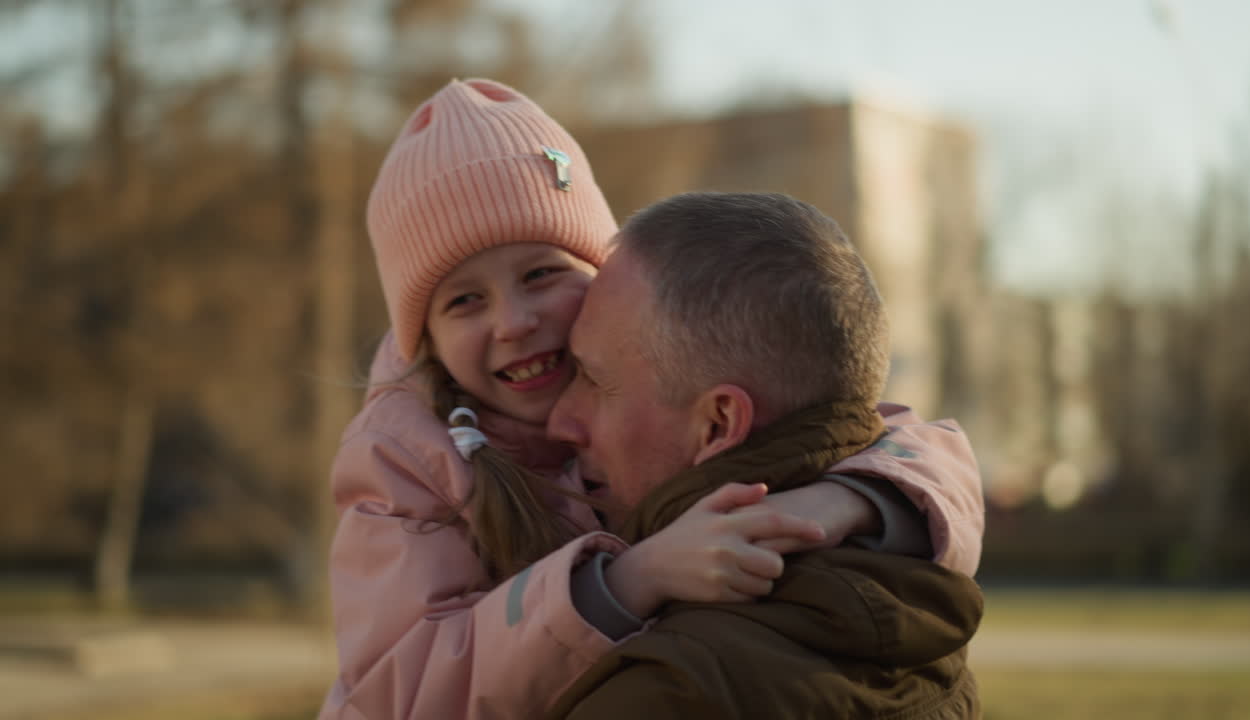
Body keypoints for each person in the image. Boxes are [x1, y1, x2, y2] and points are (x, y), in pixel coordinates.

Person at [319, 79, 983, 720]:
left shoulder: (662, 379)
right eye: (465, 300)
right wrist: (625, 583)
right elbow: (396, 696)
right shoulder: (407, 459)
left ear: (602, 274)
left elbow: (897, 439)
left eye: (542, 273)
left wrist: (842, 502)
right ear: (426, 339)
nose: (513, 320)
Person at [544, 192, 983, 719]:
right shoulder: (910, 604)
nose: (558, 421)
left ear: (718, 423)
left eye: (593, 379)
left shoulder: (668, 693)